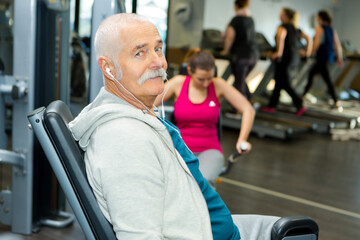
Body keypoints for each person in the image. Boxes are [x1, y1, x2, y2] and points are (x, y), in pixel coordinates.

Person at [69, 13, 279, 240]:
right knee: (297, 230)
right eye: (140, 53)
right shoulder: (125, 141)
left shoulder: (139, 111)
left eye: (158, 49)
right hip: (208, 233)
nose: (158, 62)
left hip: (205, 221)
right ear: (108, 68)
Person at [154, 50, 255, 188]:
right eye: (201, 79)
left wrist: (242, 139)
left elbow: (248, 109)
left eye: (210, 78)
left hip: (209, 149)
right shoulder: (178, 83)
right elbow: (147, 105)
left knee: (202, 183)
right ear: (190, 71)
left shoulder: (218, 85)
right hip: (180, 149)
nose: (206, 84)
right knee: (174, 185)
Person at [261, 8, 311, 117]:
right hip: (293, 58)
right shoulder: (296, 28)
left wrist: (278, 53)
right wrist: (307, 53)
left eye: (281, 14)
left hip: (284, 59)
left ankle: (299, 103)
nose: (280, 15)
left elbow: (281, 38)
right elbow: (309, 38)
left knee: (284, 83)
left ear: (286, 16)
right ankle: (272, 105)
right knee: (278, 82)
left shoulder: (282, 27)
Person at [302, 10, 344, 108]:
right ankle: (303, 95)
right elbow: (338, 45)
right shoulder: (331, 29)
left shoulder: (319, 28)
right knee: (313, 75)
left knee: (324, 78)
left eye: (317, 17)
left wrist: (310, 53)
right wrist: (340, 58)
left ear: (320, 18)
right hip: (328, 57)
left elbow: (316, 44)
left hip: (321, 57)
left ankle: (336, 100)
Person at [221, 0, 259, 101]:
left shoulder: (236, 20)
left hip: (241, 56)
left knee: (239, 83)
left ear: (236, 6)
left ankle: (240, 109)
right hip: (254, 56)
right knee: (241, 80)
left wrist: (225, 51)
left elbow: (230, 38)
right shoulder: (251, 19)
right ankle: (250, 100)